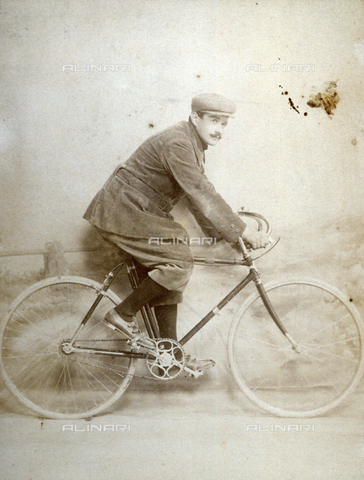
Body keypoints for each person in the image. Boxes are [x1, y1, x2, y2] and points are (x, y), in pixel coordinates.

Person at [83, 93, 269, 371]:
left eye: (225, 123)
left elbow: (196, 197)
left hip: (139, 210)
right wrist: (241, 231)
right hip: (123, 209)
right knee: (179, 260)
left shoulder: (192, 144)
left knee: (171, 261)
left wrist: (224, 234)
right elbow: (200, 192)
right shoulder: (179, 142)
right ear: (195, 118)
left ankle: (169, 354)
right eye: (213, 120)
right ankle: (121, 314)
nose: (219, 129)